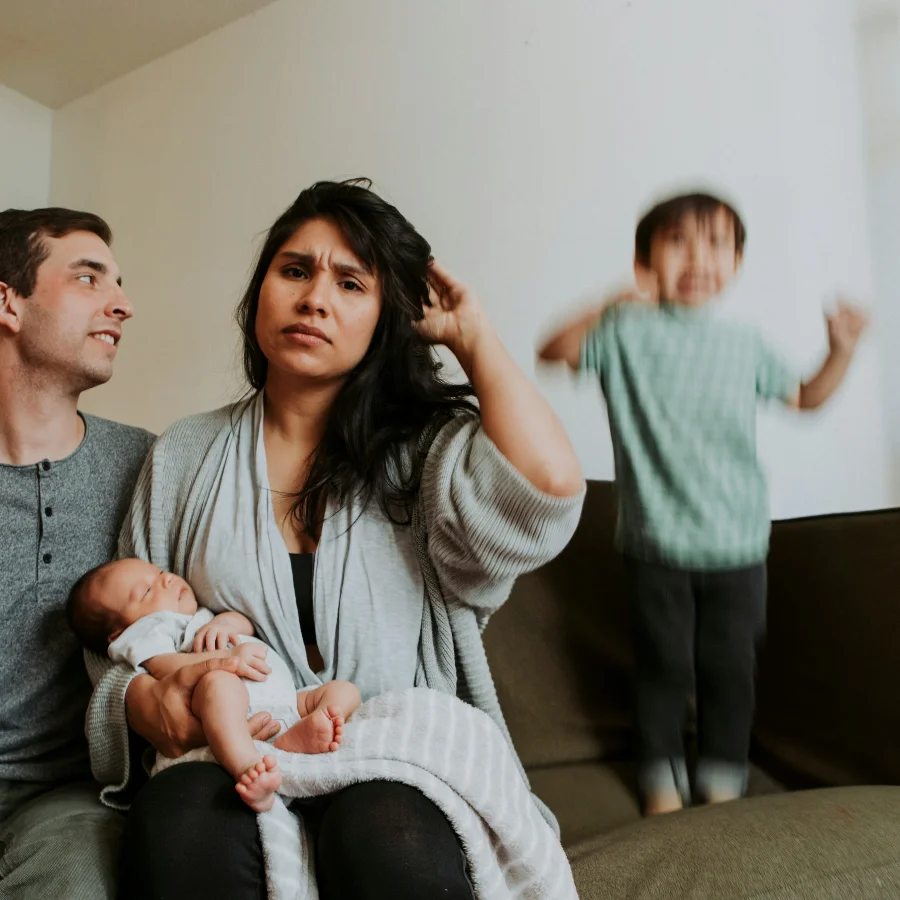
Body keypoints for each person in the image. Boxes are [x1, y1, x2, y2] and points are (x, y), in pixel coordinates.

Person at [86, 178, 585, 899]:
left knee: (382, 826)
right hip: (235, 753)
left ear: (385, 318)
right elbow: (118, 636)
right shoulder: (184, 456)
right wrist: (143, 699)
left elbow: (547, 490)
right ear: (260, 294)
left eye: (351, 283)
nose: (315, 298)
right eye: (295, 271)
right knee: (179, 817)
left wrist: (473, 336)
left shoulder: (424, 453)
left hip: (392, 757)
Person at [539, 191, 868, 817]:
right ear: (645, 262)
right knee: (662, 669)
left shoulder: (744, 344)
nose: (698, 258)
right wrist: (612, 300)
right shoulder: (624, 332)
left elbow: (806, 398)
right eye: (678, 242)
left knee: (729, 671)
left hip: (738, 543)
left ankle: (722, 782)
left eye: (716, 244)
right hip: (655, 542)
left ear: (736, 263)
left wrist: (841, 351)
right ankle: (660, 785)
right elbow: (553, 351)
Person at [0, 207, 156, 899]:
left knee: (78, 879)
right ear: (8, 302)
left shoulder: (145, 465)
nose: (122, 304)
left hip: (65, 799)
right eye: (89, 279)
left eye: (118, 283)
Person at [68, 557, 361, 812]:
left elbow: (244, 623)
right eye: (146, 591)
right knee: (218, 683)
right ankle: (248, 767)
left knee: (343, 691)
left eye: (159, 573)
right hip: (228, 706)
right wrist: (226, 659)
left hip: (284, 699)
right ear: (118, 633)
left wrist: (223, 625)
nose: (166, 580)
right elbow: (164, 666)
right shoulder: (145, 632)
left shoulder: (200, 616)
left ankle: (297, 736)